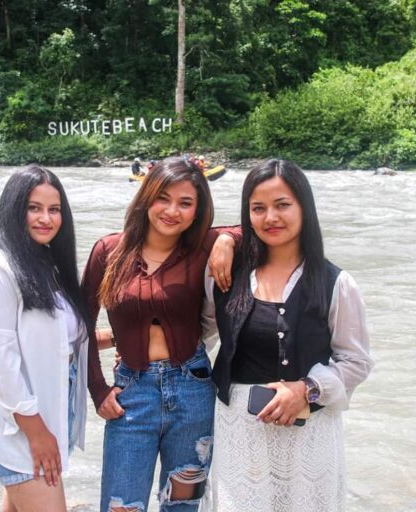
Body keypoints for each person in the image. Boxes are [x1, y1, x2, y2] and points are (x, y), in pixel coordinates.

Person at [205, 159, 373, 511]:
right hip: (240, 433)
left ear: (304, 208)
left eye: (282, 205)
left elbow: (356, 362)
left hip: (308, 435)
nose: (271, 218)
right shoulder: (223, 274)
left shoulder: (335, 283)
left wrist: (307, 389)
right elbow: (200, 335)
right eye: (258, 208)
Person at [82, 157, 238, 512]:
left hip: (193, 391)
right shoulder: (109, 251)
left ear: (198, 211)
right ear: (146, 198)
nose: (172, 211)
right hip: (130, 394)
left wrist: (227, 238)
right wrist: (98, 390)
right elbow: (80, 327)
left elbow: (255, 230)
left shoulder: (202, 248)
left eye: (185, 203)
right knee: (122, 505)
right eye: (163, 198)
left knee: (182, 504)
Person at [0, 165, 91, 512]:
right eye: (34, 208)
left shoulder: (44, 266)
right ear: (13, 209)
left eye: (54, 209)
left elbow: (55, 338)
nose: (45, 218)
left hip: (46, 419)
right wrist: (37, 434)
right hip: (22, 430)